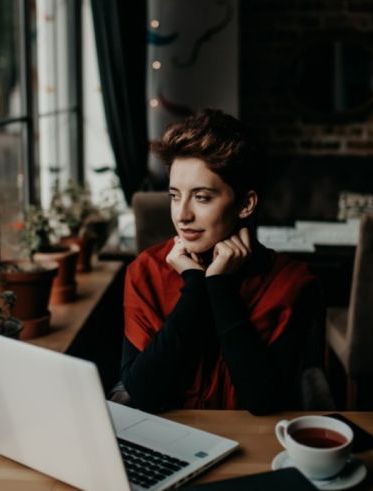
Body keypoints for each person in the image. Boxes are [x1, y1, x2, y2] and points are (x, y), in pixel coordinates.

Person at [120, 109, 321, 415]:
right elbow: (144, 395)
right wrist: (194, 288)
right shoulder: (145, 272)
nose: (182, 215)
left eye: (201, 197)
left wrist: (219, 287)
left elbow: (264, 402)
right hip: (168, 446)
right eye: (175, 195)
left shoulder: (290, 283)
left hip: (253, 450)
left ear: (245, 204)